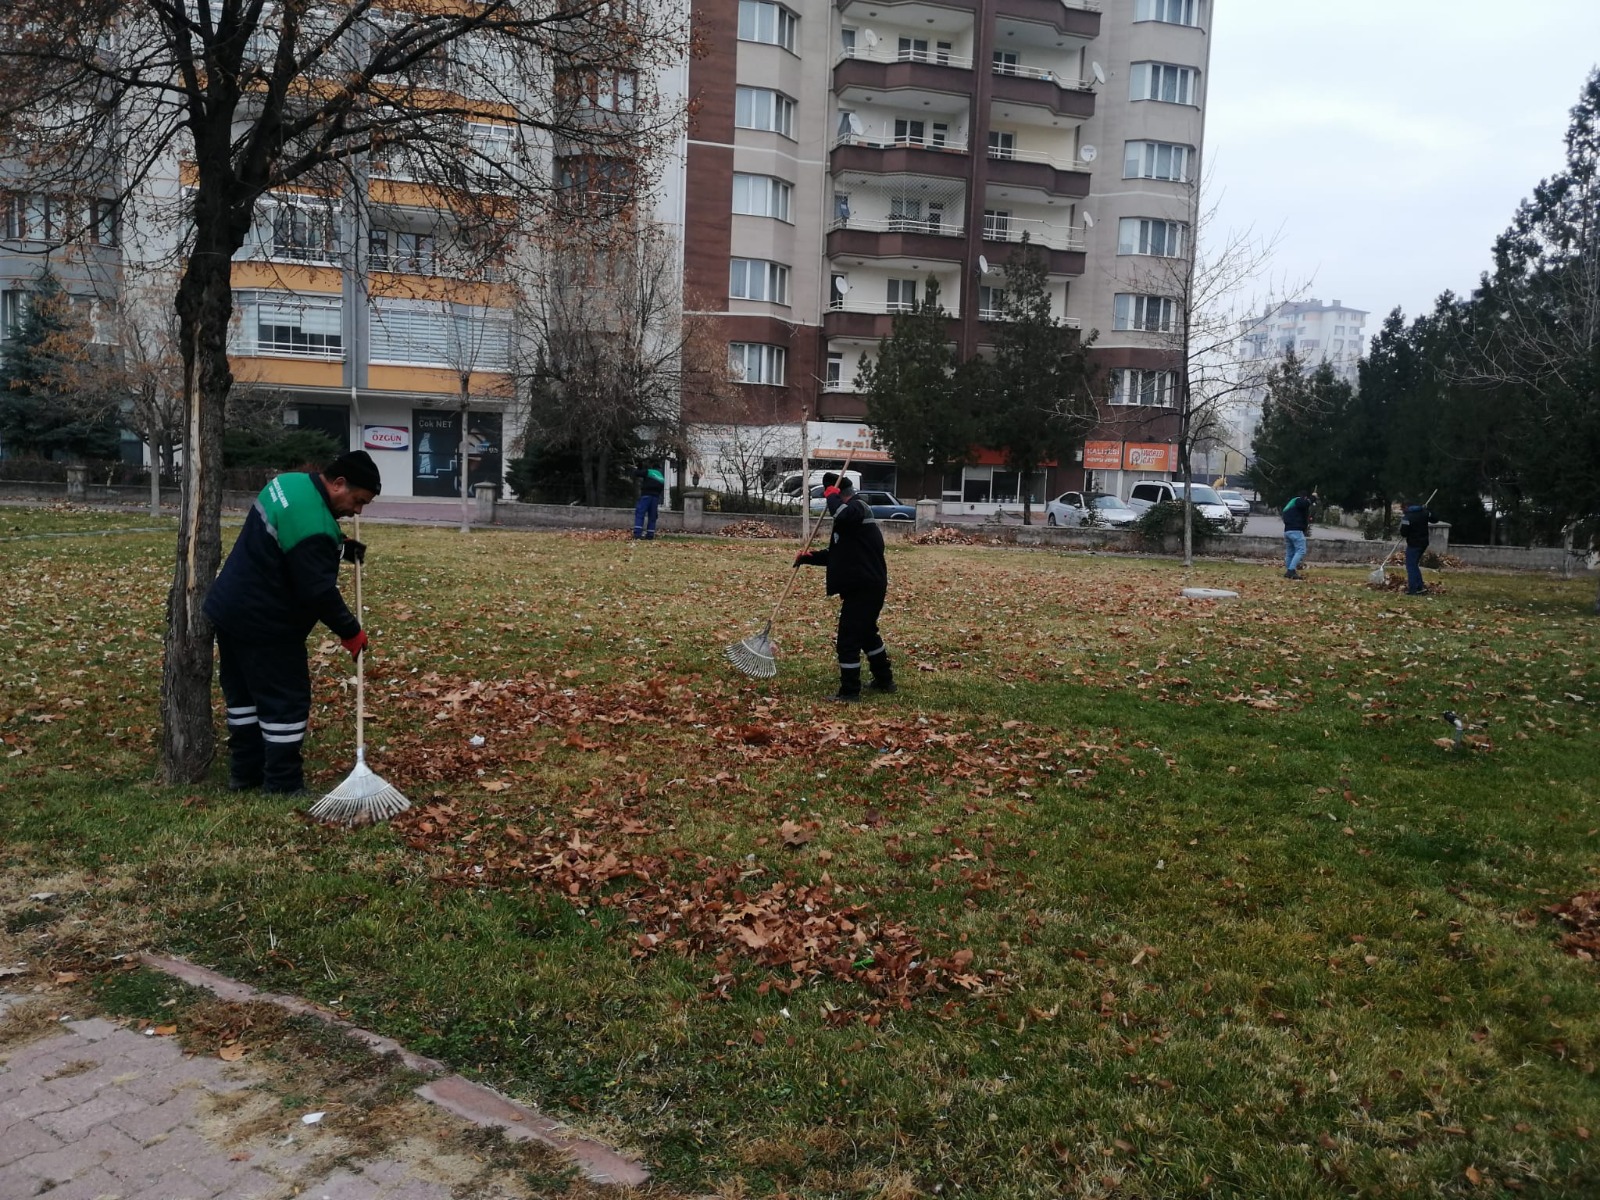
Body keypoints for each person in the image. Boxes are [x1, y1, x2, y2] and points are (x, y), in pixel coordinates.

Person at [203, 450, 380, 795]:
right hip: (267, 624)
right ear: (339, 484)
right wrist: (351, 631)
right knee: (284, 701)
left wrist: (339, 548)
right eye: (358, 501)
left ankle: (245, 773)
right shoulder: (313, 527)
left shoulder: (288, 484)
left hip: (229, 610)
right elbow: (317, 591)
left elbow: (288, 542)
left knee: (243, 699)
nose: (357, 511)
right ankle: (282, 784)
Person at [794, 473, 894, 701]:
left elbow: (842, 512)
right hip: (863, 585)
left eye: (833, 496)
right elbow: (839, 555)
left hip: (865, 587)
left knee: (848, 639)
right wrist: (809, 557)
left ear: (840, 494)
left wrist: (832, 495)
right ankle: (884, 680)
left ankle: (850, 692)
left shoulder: (858, 508)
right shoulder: (849, 523)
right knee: (867, 634)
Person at [1400, 496, 1437, 594]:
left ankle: (1413, 589)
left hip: (1413, 544)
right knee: (1414, 565)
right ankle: (1420, 587)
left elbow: (1403, 533)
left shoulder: (1407, 517)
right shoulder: (1424, 513)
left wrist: (1406, 529)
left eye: (1402, 509)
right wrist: (1429, 510)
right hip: (1423, 543)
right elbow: (1435, 519)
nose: (1402, 511)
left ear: (1406, 507)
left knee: (1411, 566)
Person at [1281, 490, 1315, 579]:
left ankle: (1288, 570)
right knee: (1301, 550)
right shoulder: (1298, 501)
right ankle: (1291, 570)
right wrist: (1313, 498)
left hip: (1287, 531)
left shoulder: (1289, 506)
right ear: (1304, 497)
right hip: (1296, 531)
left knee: (1290, 552)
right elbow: (1304, 504)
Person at [632, 464, 665, 540]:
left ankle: (637, 534)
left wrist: (635, 469)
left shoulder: (649, 471)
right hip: (655, 498)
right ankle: (650, 534)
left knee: (640, 513)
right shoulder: (661, 476)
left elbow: (638, 473)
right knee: (652, 516)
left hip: (646, 496)